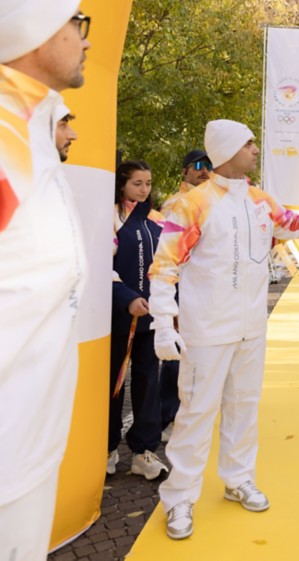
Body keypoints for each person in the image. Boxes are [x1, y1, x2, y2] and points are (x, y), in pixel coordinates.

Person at [148, 119, 299, 540]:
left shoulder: (261, 200)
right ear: (226, 151)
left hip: (250, 326)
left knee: (244, 407)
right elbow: (165, 265)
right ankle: (179, 498)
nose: (254, 150)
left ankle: (237, 478)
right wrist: (161, 322)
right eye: (248, 144)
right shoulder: (191, 204)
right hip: (207, 329)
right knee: (196, 414)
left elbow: (293, 224)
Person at [0, 4, 91, 559]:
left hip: (28, 452)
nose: (85, 40)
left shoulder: (34, 135)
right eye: (76, 23)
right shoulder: (6, 141)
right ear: (35, 31)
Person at [108, 160, 169, 480]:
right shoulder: (111, 218)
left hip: (149, 320)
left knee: (148, 387)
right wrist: (127, 298)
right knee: (112, 388)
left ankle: (143, 451)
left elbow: (167, 265)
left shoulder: (155, 220)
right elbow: (103, 266)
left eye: (147, 183)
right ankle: (105, 449)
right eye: (137, 184)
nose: (144, 190)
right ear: (122, 185)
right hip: (116, 320)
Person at [158, 149, 214, 444]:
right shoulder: (176, 204)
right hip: (181, 287)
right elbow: (168, 256)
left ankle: (194, 414)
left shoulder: (215, 201)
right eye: (199, 166)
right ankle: (170, 418)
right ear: (185, 171)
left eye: (209, 166)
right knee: (176, 357)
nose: (205, 171)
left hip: (208, 291)